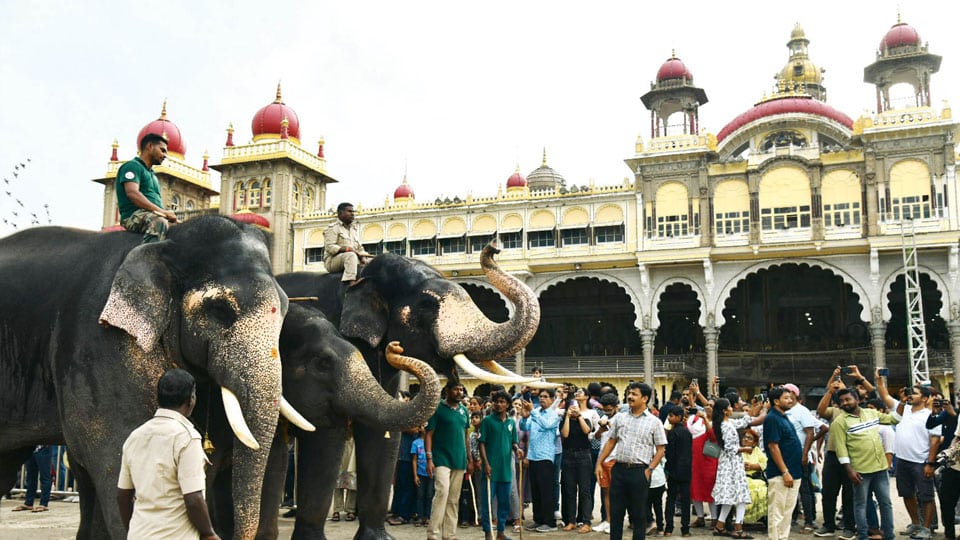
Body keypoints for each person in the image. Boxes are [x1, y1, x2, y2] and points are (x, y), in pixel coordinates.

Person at [117, 368, 219, 540]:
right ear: (191, 399)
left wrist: (134, 529)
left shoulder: (135, 436)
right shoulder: (187, 438)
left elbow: (122, 496)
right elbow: (193, 498)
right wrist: (209, 533)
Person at [595, 381, 667, 540]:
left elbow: (661, 449)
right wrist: (599, 462)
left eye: (634, 394)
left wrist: (649, 470)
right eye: (629, 393)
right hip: (619, 470)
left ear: (645, 398)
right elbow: (611, 441)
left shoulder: (654, 422)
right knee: (616, 512)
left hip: (639, 472)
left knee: (639, 514)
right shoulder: (620, 418)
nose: (630, 397)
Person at [831, 387, 900, 540]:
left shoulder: (871, 413)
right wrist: (849, 470)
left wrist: (903, 403)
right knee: (861, 505)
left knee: (886, 503)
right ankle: (863, 536)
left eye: (848, 399)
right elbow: (841, 450)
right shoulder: (839, 422)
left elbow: (895, 419)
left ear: (857, 400)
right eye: (841, 401)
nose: (844, 403)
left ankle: (889, 535)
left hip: (880, 468)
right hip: (860, 470)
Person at [878, 379, 941, 540]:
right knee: (907, 493)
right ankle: (916, 523)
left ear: (925, 398)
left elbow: (934, 441)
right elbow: (884, 396)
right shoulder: (902, 410)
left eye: (915, 393)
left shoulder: (931, 416)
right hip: (903, 461)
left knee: (926, 496)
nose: (910, 395)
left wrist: (930, 463)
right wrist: (879, 380)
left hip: (921, 462)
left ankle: (926, 529)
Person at [425, 381, 472, 540]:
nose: (459, 392)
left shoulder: (464, 410)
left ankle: (449, 535)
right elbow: (429, 434)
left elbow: (465, 436)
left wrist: (469, 459)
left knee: (453, 499)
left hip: (459, 460)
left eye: (461, 389)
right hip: (441, 458)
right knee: (442, 492)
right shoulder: (437, 408)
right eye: (456, 389)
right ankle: (433, 534)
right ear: (447, 391)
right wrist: (429, 458)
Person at [116, 132, 178, 243]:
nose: (165, 155)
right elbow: (132, 193)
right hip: (134, 216)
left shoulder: (153, 174)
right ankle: (148, 258)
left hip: (153, 215)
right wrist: (162, 212)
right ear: (149, 146)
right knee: (159, 223)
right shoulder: (132, 166)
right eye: (162, 150)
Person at [479, 391, 524, 540]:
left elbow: (513, 442)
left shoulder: (511, 422)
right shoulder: (487, 421)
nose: (499, 404)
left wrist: (517, 449)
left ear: (508, 404)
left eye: (502, 402)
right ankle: (487, 533)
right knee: (487, 504)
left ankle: (500, 532)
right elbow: (482, 444)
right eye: (497, 401)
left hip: (506, 470)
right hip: (490, 470)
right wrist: (486, 463)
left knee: (504, 503)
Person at [710, 398, 754, 539]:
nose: (731, 408)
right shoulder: (726, 426)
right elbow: (730, 449)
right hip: (732, 464)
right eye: (729, 407)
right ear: (725, 410)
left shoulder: (726, 423)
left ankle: (720, 525)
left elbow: (744, 421)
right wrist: (745, 449)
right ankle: (738, 527)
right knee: (740, 496)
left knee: (729, 497)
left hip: (727, 464)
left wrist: (754, 407)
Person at [763, 386, 803, 540]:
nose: (790, 400)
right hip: (781, 474)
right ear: (776, 401)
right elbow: (773, 446)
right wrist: (785, 472)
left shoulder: (783, 416)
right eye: (786, 397)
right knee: (777, 512)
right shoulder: (772, 418)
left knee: (787, 512)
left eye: (791, 397)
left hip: (794, 472)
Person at [520, 387, 561, 533]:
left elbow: (546, 425)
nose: (542, 399)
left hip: (545, 457)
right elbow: (524, 427)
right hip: (533, 456)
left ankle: (550, 523)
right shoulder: (535, 412)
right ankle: (538, 520)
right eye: (541, 396)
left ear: (552, 399)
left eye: (545, 396)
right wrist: (524, 417)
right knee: (536, 491)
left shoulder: (553, 415)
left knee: (546, 491)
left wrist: (531, 413)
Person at [782, 383, 821, 533]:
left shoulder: (801, 411)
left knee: (805, 489)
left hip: (801, 457)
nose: (785, 396)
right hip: (788, 456)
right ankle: (793, 517)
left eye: (787, 393)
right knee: (793, 488)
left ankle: (809, 521)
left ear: (794, 394)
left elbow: (810, 433)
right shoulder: (786, 411)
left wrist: (805, 453)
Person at [560, 390, 595, 533]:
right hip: (568, 456)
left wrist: (579, 415)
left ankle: (586, 521)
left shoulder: (585, 419)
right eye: (571, 408)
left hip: (583, 456)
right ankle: (571, 521)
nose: (573, 410)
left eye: (575, 408)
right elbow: (565, 434)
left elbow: (587, 431)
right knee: (569, 490)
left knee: (585, 491)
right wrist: (568, 417)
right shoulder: (564, 421)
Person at [323, 202, 369, 286]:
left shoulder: (353, 229)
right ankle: (351, 282)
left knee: (370, 262)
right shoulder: (333, 228)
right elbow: (329, 247)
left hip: (353, 258)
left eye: (353, 212)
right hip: (333, 261)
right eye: (349, 211)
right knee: (350, 255)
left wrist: (364, 257)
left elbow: (360, 248)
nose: (352, 214)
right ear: (340, 213)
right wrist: (345, 249)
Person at [594, 392, 620, 534]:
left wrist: (609, 425)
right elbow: (596, 437)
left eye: (609, 410)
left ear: (617, 406)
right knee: (606, 492)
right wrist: (601, 428)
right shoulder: (603, 417)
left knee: (615, 493)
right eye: (605, 409)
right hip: (602, 460)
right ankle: (608, 521)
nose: (607, 412)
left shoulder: (621, 419)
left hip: (615, 459)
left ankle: (615, 522)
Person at [665, 407, 693, 537]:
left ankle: (669, 528)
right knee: (686, 500)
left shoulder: (672, 433)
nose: (669, 418)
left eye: (671, 416)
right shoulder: (687, 432)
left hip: (674, 470)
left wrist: (668, 469)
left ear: (679, 417)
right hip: (686, 470)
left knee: (671, 498)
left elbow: (670, 454)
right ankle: (685, 529)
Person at [13, 445, 54, 513]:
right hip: (31, 448)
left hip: (43, 447)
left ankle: (43, 504)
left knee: (44, 476)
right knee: (30, 477)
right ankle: (28, 503)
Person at [741, 429, 768, 525]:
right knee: (749, 489)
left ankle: (760, 516)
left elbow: (765, 463)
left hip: (757, 478)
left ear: (754, 443)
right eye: (745, 437)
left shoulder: (757, 451)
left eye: (749, 438)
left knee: (764, 490)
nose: (746, 439)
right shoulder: (739, 450)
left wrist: (753, 466)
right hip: (742, 479)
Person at [332, 424, 358, 521]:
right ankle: (336, 509)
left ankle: (350, 510)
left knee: (353, 481)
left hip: (353, 446)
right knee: (337, 481)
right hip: (340, 445)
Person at [412, 425, 434, 527]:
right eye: (423, 426)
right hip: (420, 473)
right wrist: (415, 475)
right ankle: (420, 517)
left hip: (432, 474)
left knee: (430, 495)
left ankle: (428, 517)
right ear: (420, 428)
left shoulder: (434, 442)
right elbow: (414, 460)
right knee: (420, 496)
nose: (425, 428)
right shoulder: (416, 443)